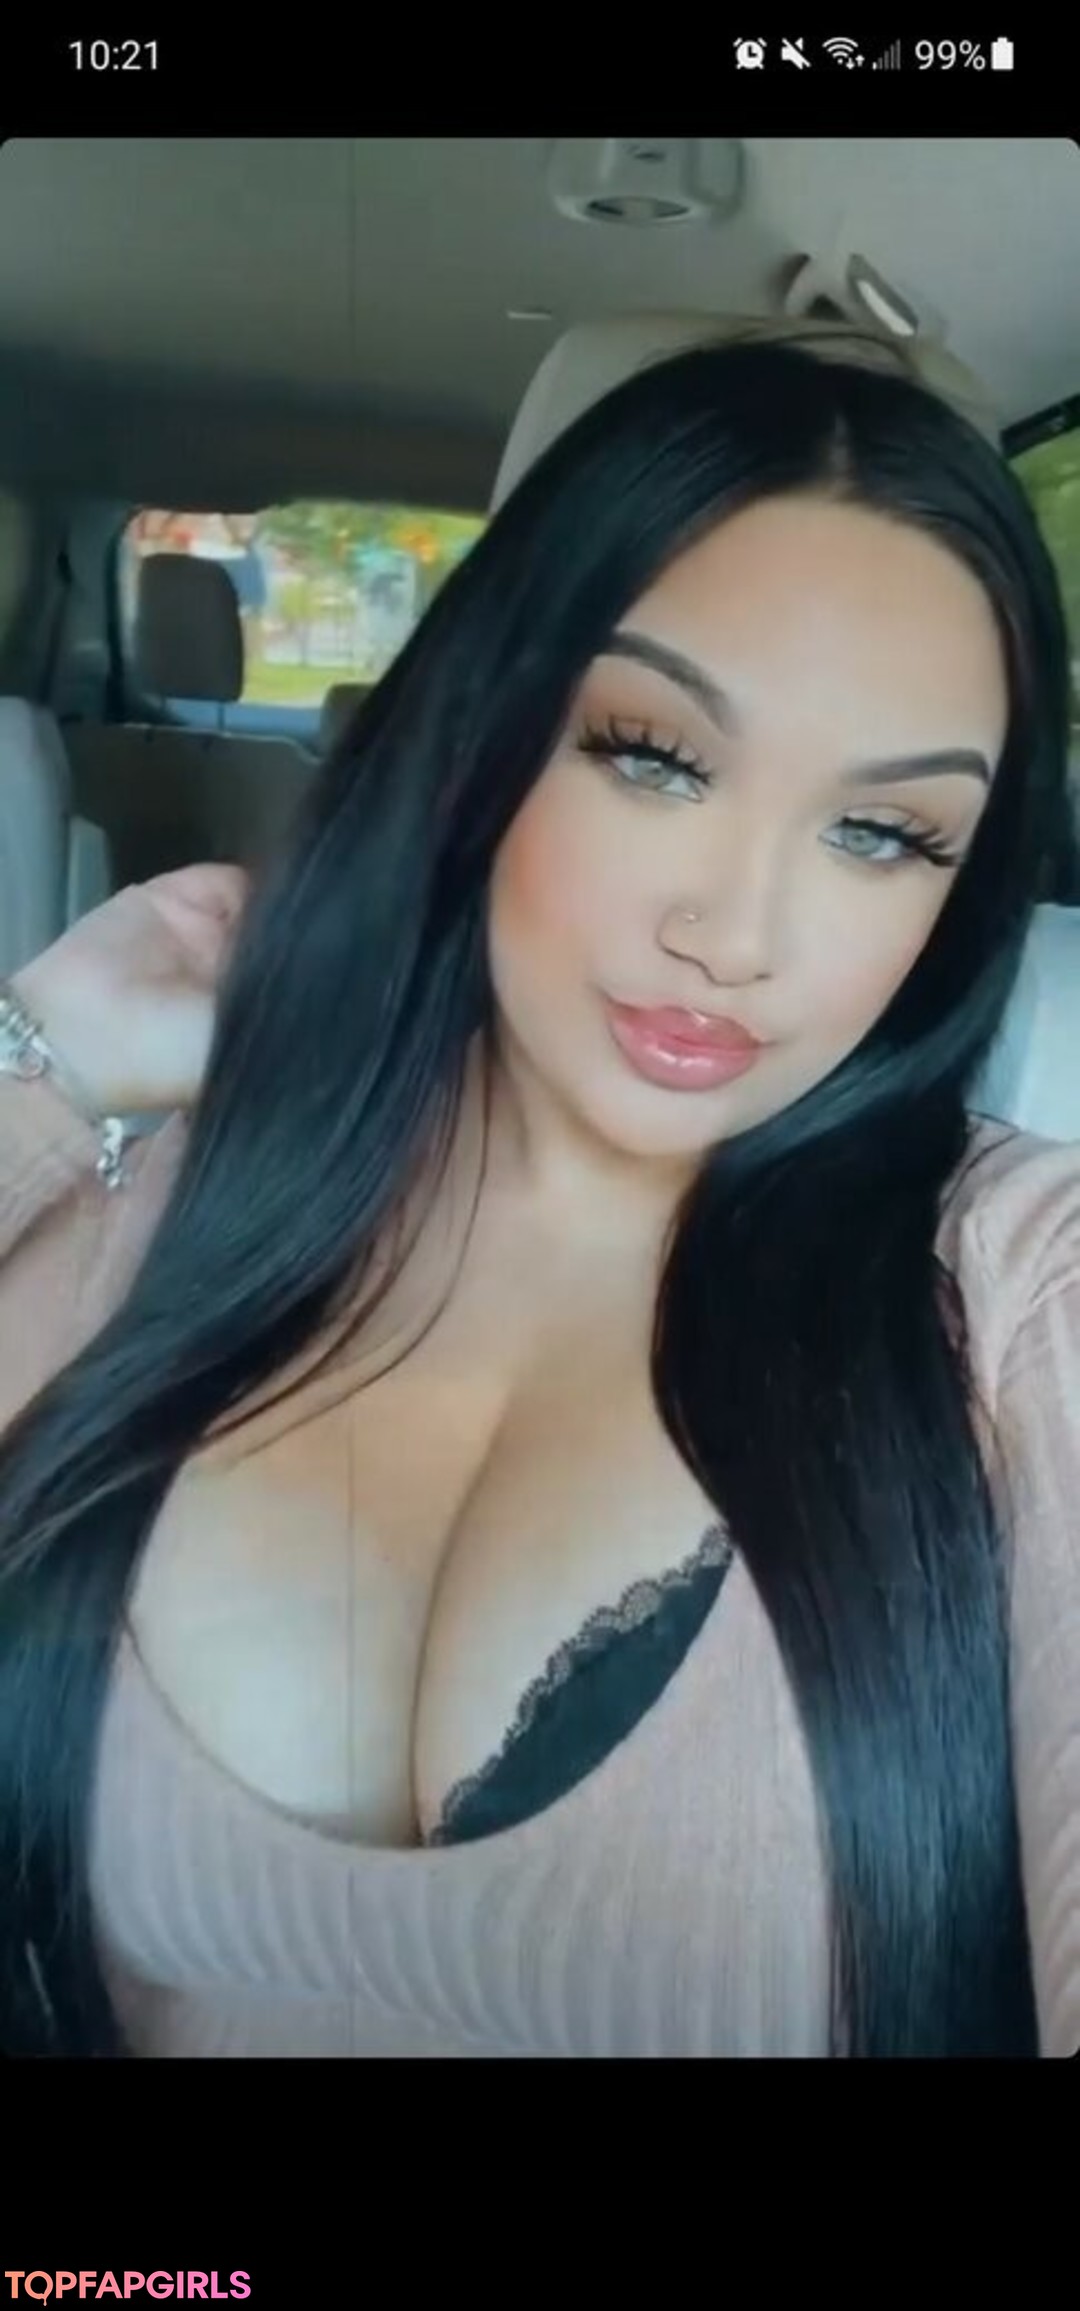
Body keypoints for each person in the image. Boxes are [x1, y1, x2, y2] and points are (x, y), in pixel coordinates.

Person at [0, 338, 1078, 2060]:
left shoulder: (1020, 1300)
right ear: (483, 732)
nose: (737, 935)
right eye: (653, 755)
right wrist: (47, 1061)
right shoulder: (162, 1198)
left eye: (882, 835)